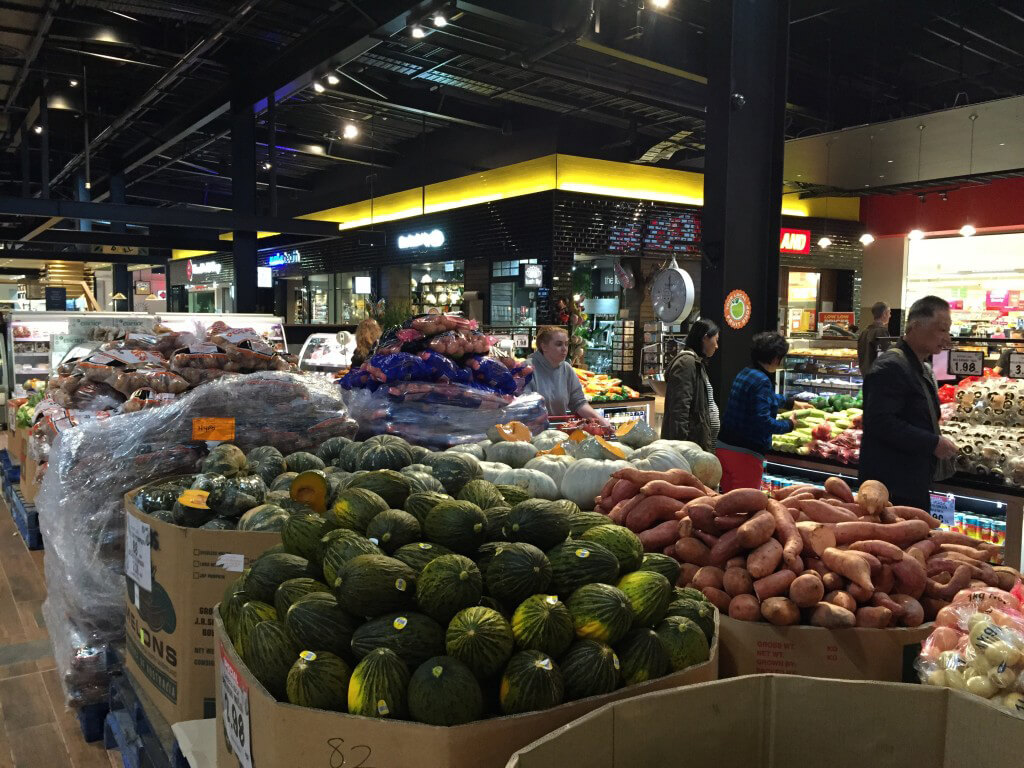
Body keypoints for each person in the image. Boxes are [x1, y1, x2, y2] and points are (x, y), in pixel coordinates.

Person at [859, 295, 958, 510]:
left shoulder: (919, 367)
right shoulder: (891, 366)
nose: (946, 337)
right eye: (941, 329)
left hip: (911, 479)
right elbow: (881, 422)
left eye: (948, 330)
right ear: (915, 326)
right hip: (890, 487)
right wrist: (932, 443)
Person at [715, 332, 810, 492]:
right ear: (775, 358)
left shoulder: (745, 373)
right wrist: (788, 424)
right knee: (745, 507)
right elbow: (763, 422)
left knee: (727, 502)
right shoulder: (763, 381)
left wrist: (791, 403)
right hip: (745, 454)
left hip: (724, 447)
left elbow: (765, 399)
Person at [526, 326, 611, 427]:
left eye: (566, 344)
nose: (564, 349)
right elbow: (524, 408)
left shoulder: (567, 369)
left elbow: (578, 403)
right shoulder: (527, 369)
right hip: (533, 433)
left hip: (560, 430)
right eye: (559, 344)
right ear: (544, 347)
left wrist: (601, 420)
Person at [661, 319, 720, 450]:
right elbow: (680, 408)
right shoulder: (687, 363)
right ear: (705, 338)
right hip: (690, 447)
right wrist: (681, 447)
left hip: (698, 443)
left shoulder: (697, 362)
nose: (717, 346)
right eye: (716, 340)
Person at [857, 301, 892, 374]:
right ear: (885, 314)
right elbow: (884, 356)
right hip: (876, 376)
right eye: (889, 313)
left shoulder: (864, 332)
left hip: (865, 375)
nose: (890, 316)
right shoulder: (882, 331)